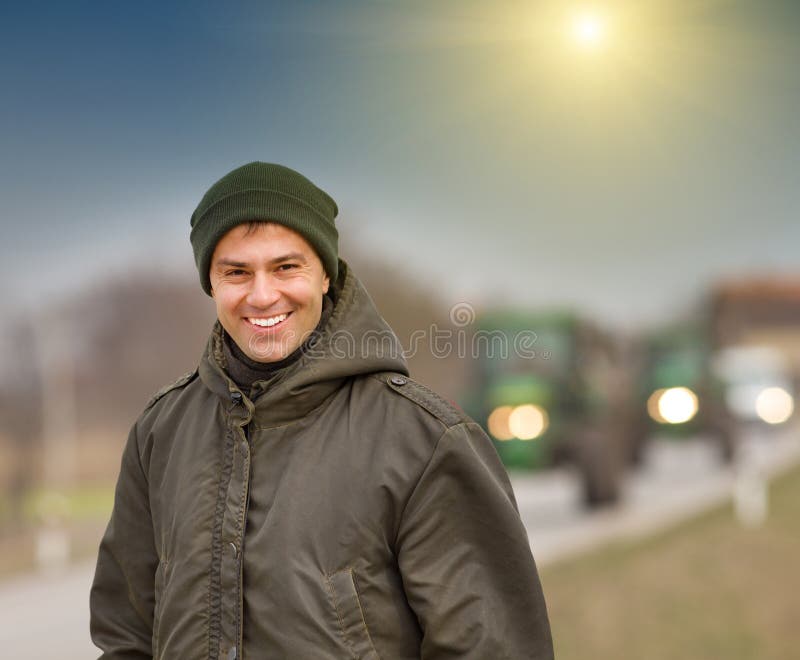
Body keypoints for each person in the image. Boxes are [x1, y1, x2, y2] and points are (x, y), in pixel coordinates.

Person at [90, 162, 553, 659]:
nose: (263, 294)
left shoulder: (425, 440)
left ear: (326, 275)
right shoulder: (160, 432)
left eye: (286, 267)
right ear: (212, 284)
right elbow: (126, 638)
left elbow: (493, 648)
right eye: (237, 272)